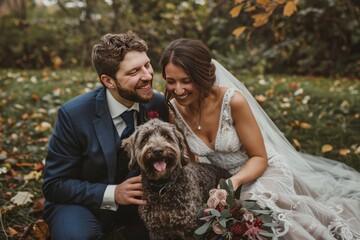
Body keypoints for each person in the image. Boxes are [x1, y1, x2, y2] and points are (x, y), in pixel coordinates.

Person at [160, 38, 360, 239]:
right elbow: (192, 163)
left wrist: (232, 183)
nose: (178, 90)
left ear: (202, 76)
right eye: (171, 81)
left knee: (252, 209)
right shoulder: (174, 112)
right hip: (224, 180)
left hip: (264, 169)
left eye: (186, 81)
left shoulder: (232, 102)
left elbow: (259, 157)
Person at [42, 31, 168, 240]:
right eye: (134, 71)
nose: (147, 76)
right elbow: (54, 185)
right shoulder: (73, 115)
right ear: (108, 81)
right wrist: (113, 193)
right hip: (81, 203)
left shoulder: (158, 104)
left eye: (147, 65)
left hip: (142, 203)